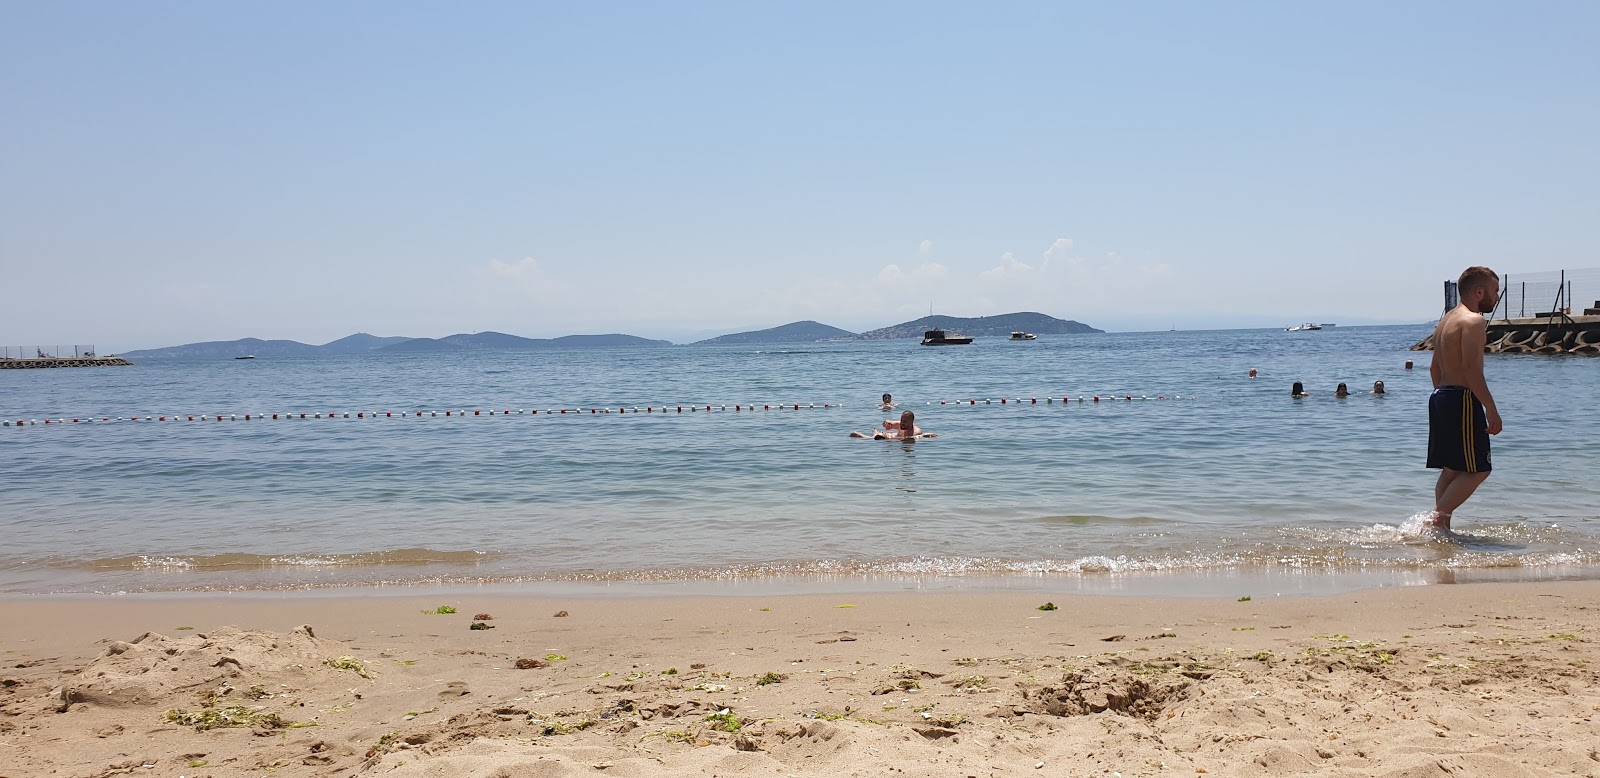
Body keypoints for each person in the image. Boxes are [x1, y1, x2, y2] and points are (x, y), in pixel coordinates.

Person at [1425, 266, 1502, 531]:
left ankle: (1442, 530)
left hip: (1440, 396)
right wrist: (1490, 408)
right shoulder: (1473, 321)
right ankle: (1434, 521)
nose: (1497, 296)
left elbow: (1434, 368)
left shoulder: (1445, 321)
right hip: (1461, 399)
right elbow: (1471, 370)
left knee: (1452, 469)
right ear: (1479, 291)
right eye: (1494, 291)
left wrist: (1445, 398)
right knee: (1479, 469)